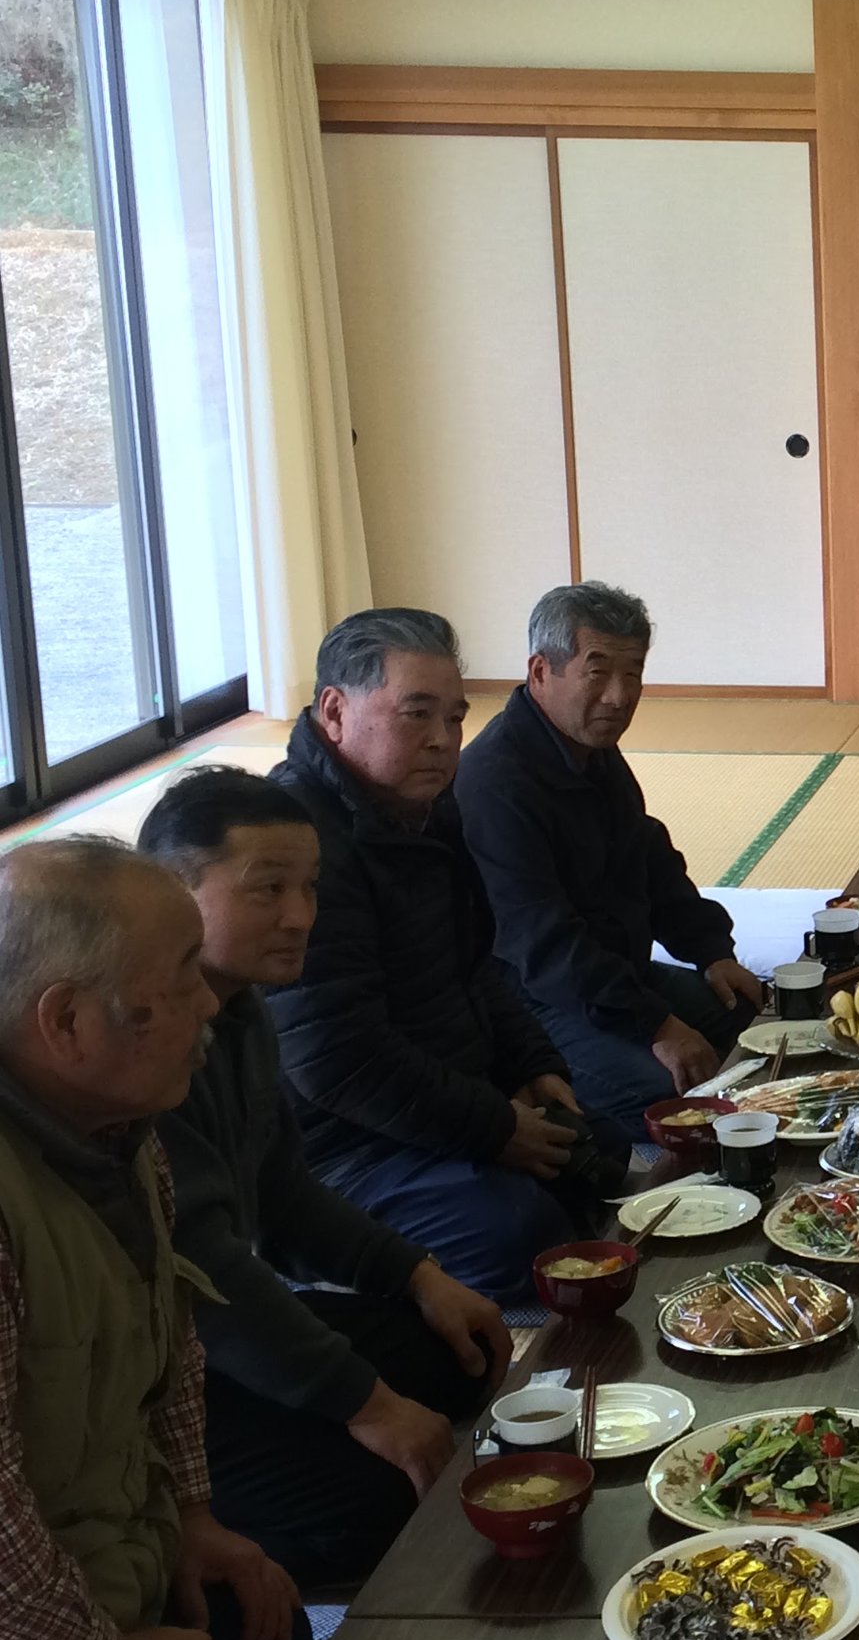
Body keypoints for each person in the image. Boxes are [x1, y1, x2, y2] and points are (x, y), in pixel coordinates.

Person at [139, 769, 509, 1588]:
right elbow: (206, 1271)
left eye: (309, 886)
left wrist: (417, 1275)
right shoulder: (141, 1045)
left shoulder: (239, 1009)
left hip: (214, 1329)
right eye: (267, 889)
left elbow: (284, 1198)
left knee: (460, 1355)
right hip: (156, 1373)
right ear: (170, 893)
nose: (301, 915)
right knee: (383, 1502)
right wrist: (367, 1405)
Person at [0, 839, 306, 1640]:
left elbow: (167, 1343)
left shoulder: (119, 1128)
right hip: (19, 1638)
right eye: (181, 980)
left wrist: (192, 1515)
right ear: (67, 1020)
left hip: (104, 1550)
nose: (211, 1005)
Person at [268, 608, 593, 1302]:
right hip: (343, 1145)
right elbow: (339, 1061)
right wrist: (494, 1127)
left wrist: (531, 1064)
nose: (444, 742)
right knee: (523, 1232)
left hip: (444, 1098)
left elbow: (479, 963)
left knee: (600, 1162)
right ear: (335, 710)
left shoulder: (425, 808)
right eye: (417, 714)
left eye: (454, 718)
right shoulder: (298, 845)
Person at [458, 583, 762, 1129]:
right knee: (681, 1103)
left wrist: (712, 951)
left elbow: (650, 858)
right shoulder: (494, 783)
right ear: (540, 671)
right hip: (536, 1002)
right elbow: (546, 948)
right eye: (597, 672)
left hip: (615, 975)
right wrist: (659, 1029)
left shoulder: (591, 748)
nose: (619, 696)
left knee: (754, 1019)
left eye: (634, 673)